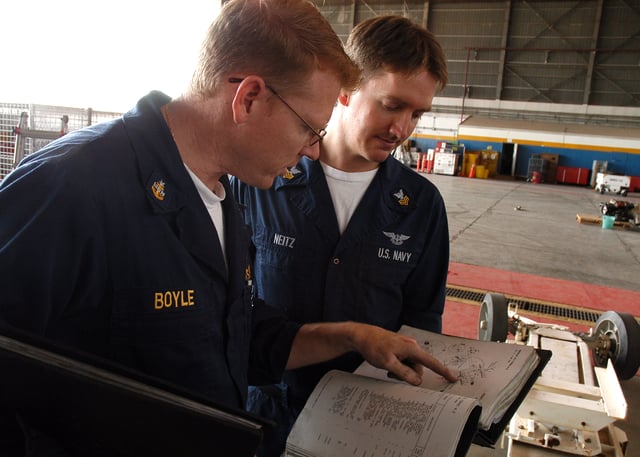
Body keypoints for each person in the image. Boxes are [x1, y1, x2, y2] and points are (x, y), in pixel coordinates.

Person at [0, 2, 457, 455]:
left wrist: (352, 336)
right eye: (308, 130)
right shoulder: (71, 186)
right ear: (249, 98)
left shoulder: (221, 198)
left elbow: (240, 338)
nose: (313, 153)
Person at [231, 15, 451, 456]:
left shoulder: (422, 206)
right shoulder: (259, 180)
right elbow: (234, 309)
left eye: (417, 114)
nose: (402, 129)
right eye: (391, 105)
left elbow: (423, 325)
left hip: (369, 427)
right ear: (345, 90)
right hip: (268, 421)